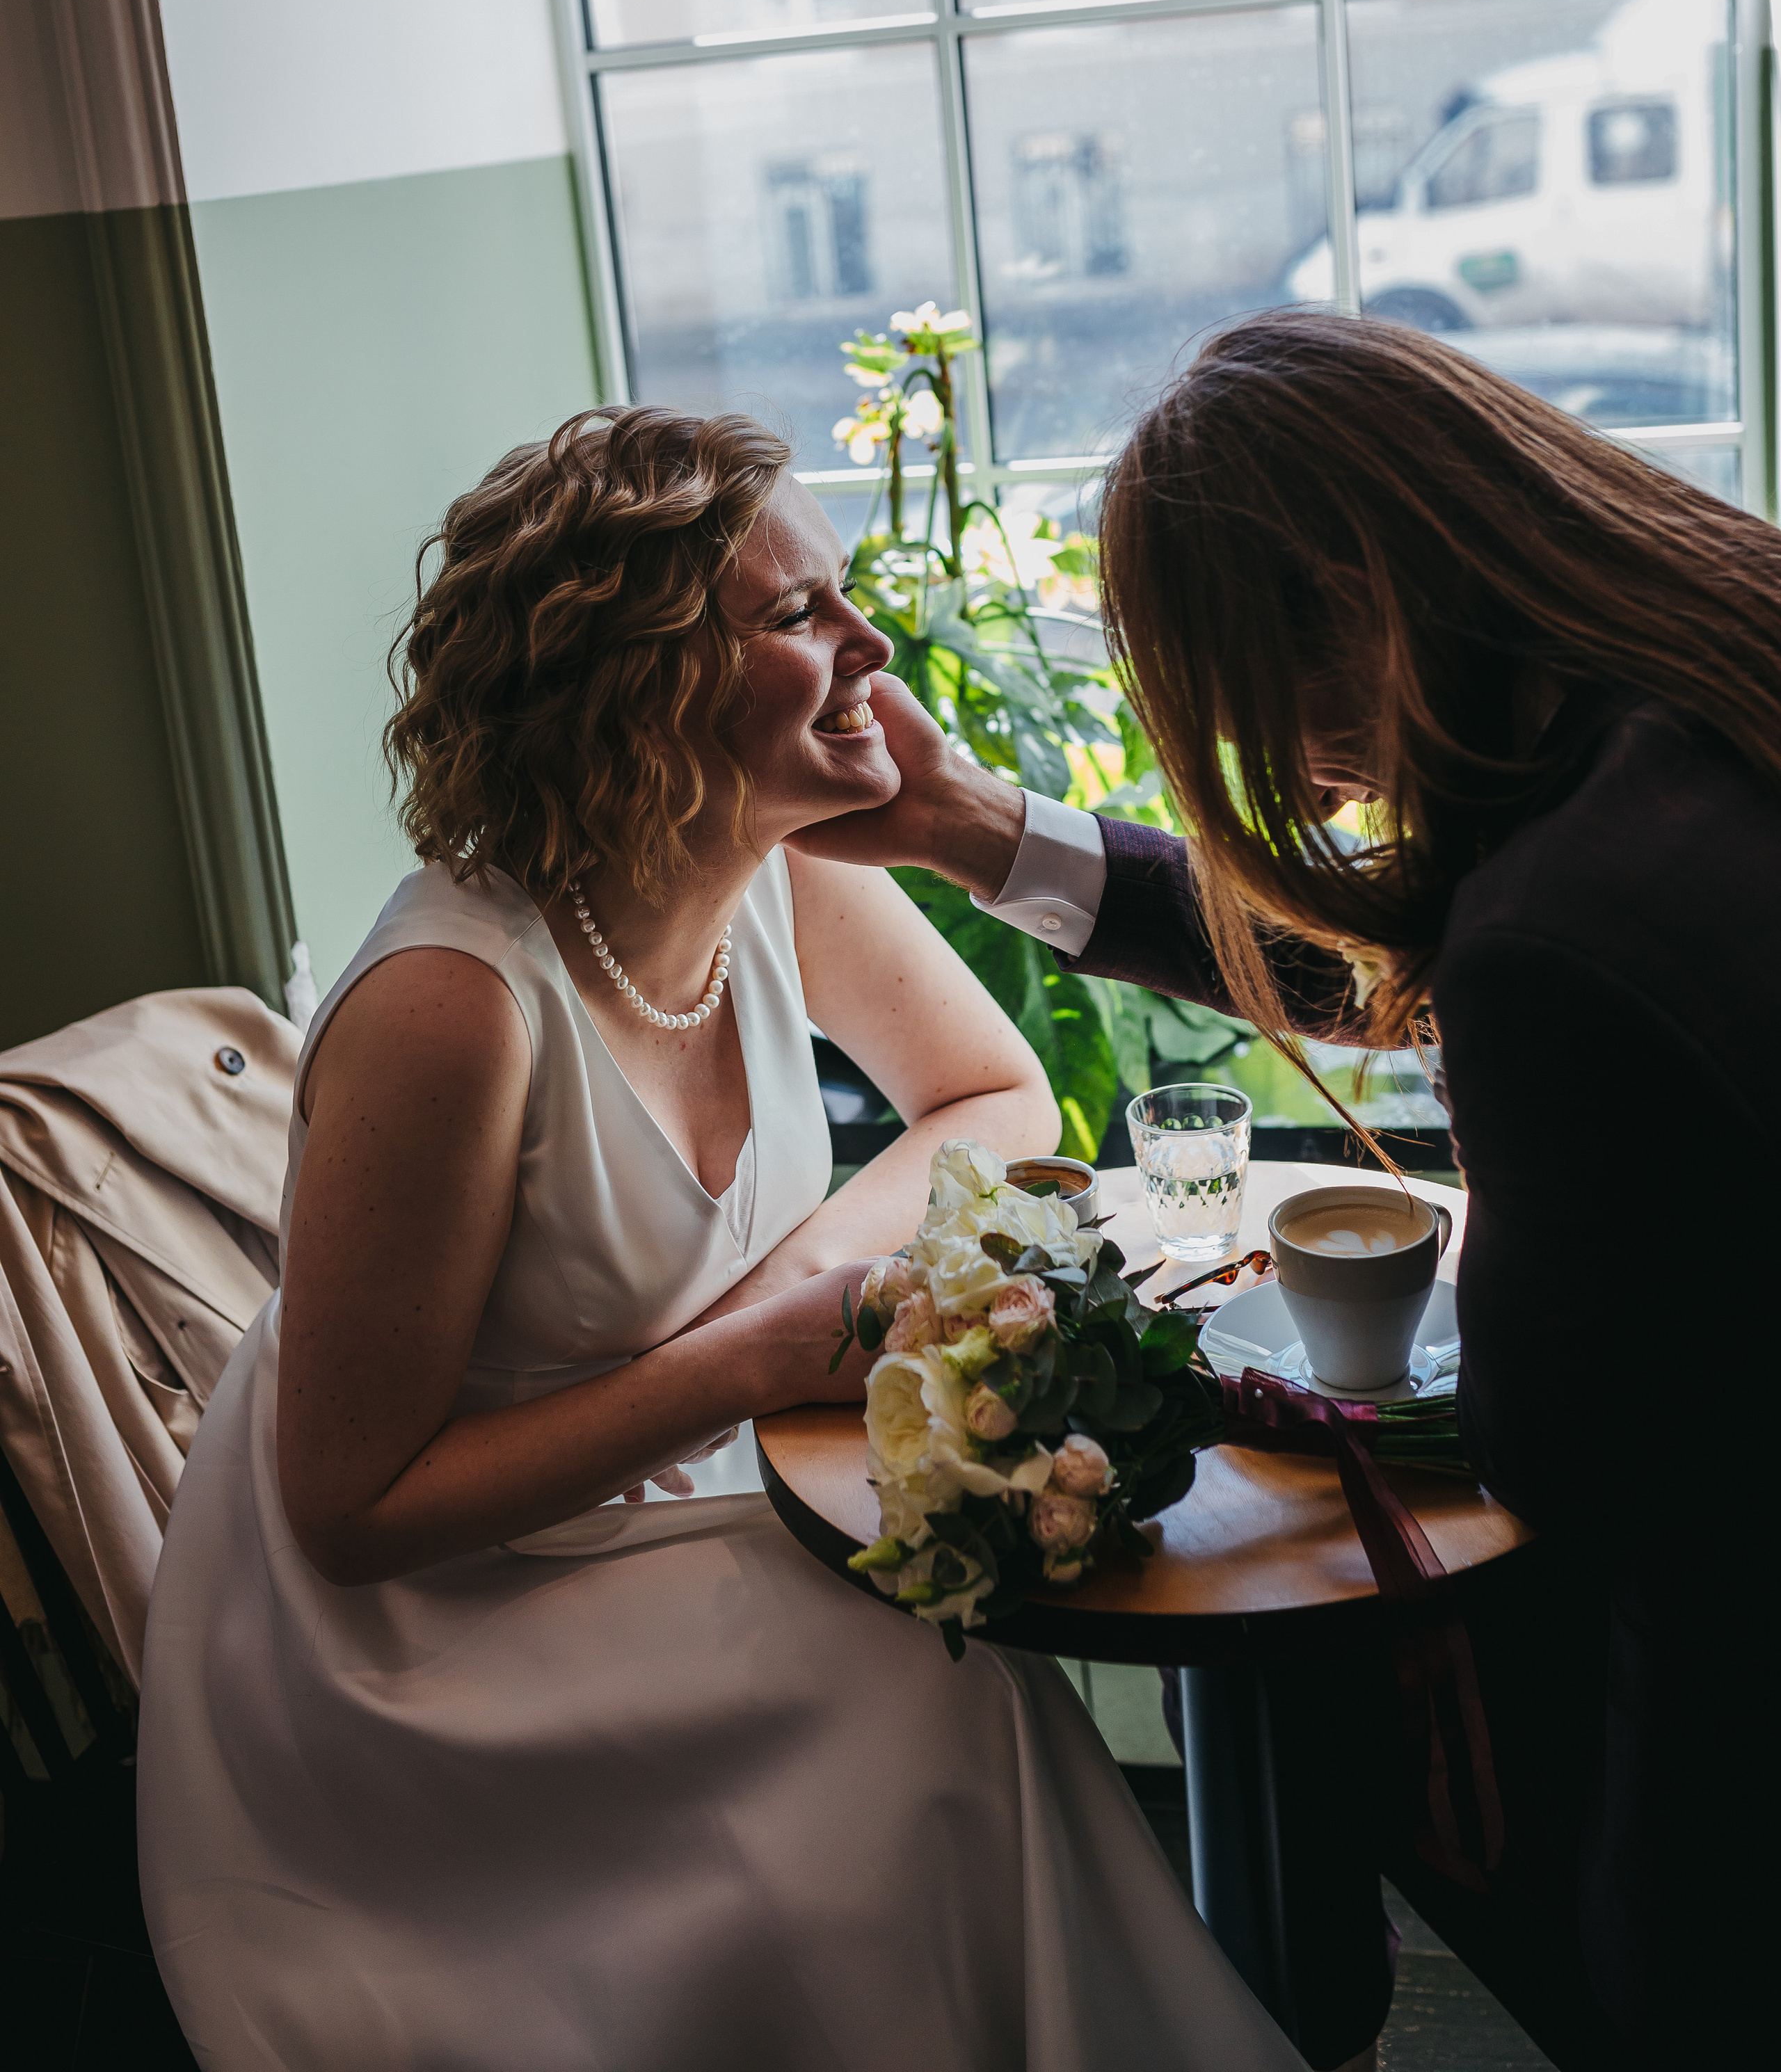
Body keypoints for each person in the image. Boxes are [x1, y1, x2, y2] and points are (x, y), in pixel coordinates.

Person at [136, 406, 1303, 2072]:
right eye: (798, 614)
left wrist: (771, 1304)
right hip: (432, 1628)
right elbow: (348, 1516)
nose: (870, 643)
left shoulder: (776, 862)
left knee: (952, 1662)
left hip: (675, 1481)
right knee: (928, 1697)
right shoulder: (450, 1009)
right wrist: (746, 1364)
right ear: (639, 686)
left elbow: (993, 1098)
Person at [797, 312, 1773, 2071]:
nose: (1292, 774)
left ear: (1348, 602)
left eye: (1251, 694)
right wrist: (972, 828)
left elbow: (1552, 1444)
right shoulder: (1689, 674)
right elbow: (1427, 940)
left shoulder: (1556, 920)